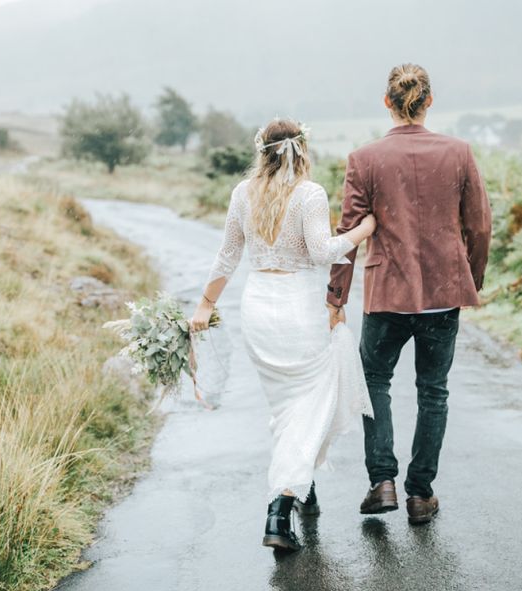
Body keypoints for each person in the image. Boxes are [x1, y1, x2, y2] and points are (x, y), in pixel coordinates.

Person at [191, 118, 375, 552]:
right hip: (299, 309)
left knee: (286, 409)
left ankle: (302, 488)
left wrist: (205, 305)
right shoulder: (309, 195)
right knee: (310, 405)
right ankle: (279, 507)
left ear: (263, 151)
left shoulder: (243, 193)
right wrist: (363, 231)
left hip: (258, 309)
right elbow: (321, 252)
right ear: (302, 150)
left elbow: (228, 255)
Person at [327, 63, 492, 525]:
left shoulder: (364, 159)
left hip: (387, 294)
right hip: (443, 293)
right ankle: (421, 494)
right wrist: (470, 280)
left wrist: (335, 298)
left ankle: (382, 483)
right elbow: (480, 225)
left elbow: (349, 233)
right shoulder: (459, 152)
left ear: (387, 102)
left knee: (374, 383)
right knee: (433, 391)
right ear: (429, 102)